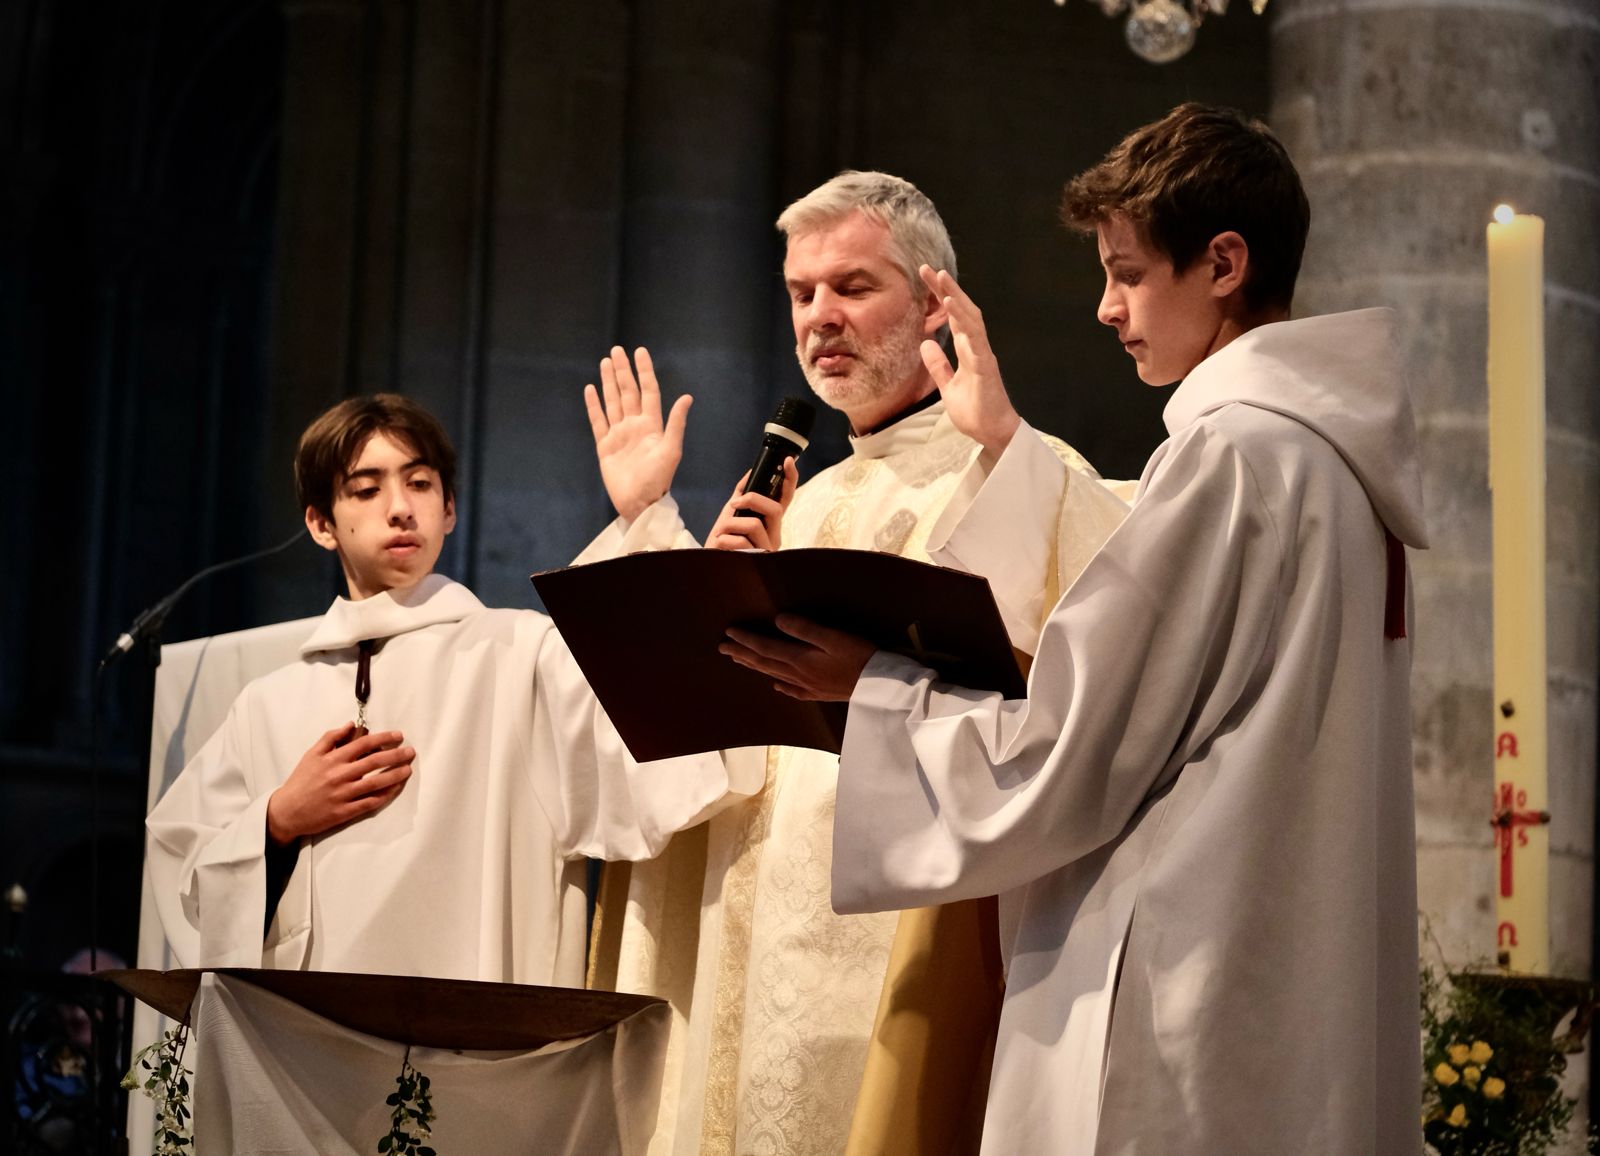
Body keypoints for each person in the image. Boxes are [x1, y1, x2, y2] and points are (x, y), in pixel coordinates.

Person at [723, 104, 1428, 1154]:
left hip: (1184, 971)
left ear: (1223, 263)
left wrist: (874, 686)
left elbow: (1077, 742)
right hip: (1281, 962)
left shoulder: (1231, 456)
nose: (1105, 308)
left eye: (1127, 273)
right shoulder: (1331, 458)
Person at [579, 171, 1130, 1155]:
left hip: (890, 940)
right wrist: (675, 558)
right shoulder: (805, 499)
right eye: (802, 293)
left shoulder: (1017, 473)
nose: (819, 316)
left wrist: (870, 680)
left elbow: (1078, 694)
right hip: (753, 925)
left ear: (933, 302)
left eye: (853, 286)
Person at [145, 394, 758, 985]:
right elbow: (182, 874)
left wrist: (646, 518)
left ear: (449, 510)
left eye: (419, 483)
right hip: (303, 1039)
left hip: (474, 1033)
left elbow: (668, 738)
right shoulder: (267, 705)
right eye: (366, 489)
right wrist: (279, 818)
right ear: (321, 523)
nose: (400, 508)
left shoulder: (524, 655)